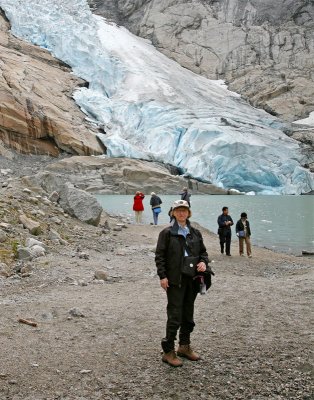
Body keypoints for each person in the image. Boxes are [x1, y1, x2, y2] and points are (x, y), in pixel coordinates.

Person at [155, 199, 213, 367]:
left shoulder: (195, 233)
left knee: (188, 314)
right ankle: (168, 351)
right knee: (175, 315)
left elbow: (203, 252)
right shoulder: (167, 233)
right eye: (178, 210)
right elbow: (160, 256)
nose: (181, 213)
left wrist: (203, 263)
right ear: (173, 212)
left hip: (192, 279)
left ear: (189, 213)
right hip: (175, 280)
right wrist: (162, 276)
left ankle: (184, 346)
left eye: (184, 210)